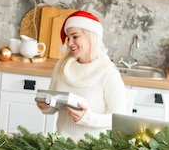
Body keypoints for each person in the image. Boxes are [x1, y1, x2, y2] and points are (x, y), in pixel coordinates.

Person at [36, 10, 126, 140]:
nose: (69, 43)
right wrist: (46, 106)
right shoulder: (62, 66)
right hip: (61, 145)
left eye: (75, 36)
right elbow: (53, 108)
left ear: (91, 36)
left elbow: (119, 119)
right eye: (68, 38)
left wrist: (88, 118)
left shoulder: (108, 72)